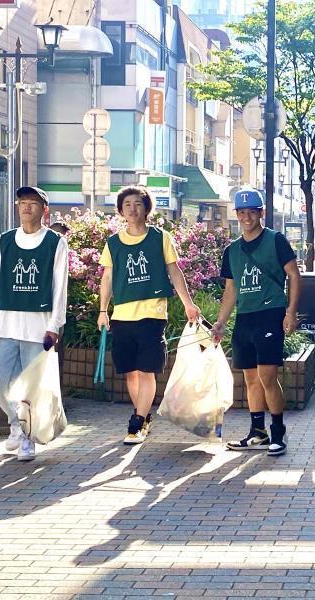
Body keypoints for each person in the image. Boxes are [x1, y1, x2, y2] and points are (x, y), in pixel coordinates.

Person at [97, 186, 200, 445]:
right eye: (127, 204)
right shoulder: (113, 243)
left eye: (138, 203)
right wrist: (102, 311)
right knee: (130, 372)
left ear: (146, 208)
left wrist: (189, 303)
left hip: (152, 314)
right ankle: (142, 416)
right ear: (121, 211)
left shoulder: (160, 237)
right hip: (122, 316)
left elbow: (174, 271)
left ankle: (138, 421)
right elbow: (107, 278)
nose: (133, 208)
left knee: (146, 371)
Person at [213, 188, 301, 457]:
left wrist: (291, 312)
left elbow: (294, 276)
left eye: (252, 211)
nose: (247, 216)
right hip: (245, 318)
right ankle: (257, 432)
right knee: (250, 378)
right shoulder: (232, 250)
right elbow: (230, 290)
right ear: (237, 215)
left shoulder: (276, 241)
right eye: (242, 212)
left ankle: (277, 431)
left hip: (270, 313)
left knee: (267, 376)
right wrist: (220, 323)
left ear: (261, 213)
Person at [0, 186, 69, 461]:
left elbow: (59, 286)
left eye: (33, 203)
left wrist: (54, 325)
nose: (26, 207)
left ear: (44, 210)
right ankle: (16, 423)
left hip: (39, 327)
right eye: (22, 202)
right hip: (8, 325)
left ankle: (28, 438)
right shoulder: (5, 241)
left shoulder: (55, 242)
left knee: (32, 388)